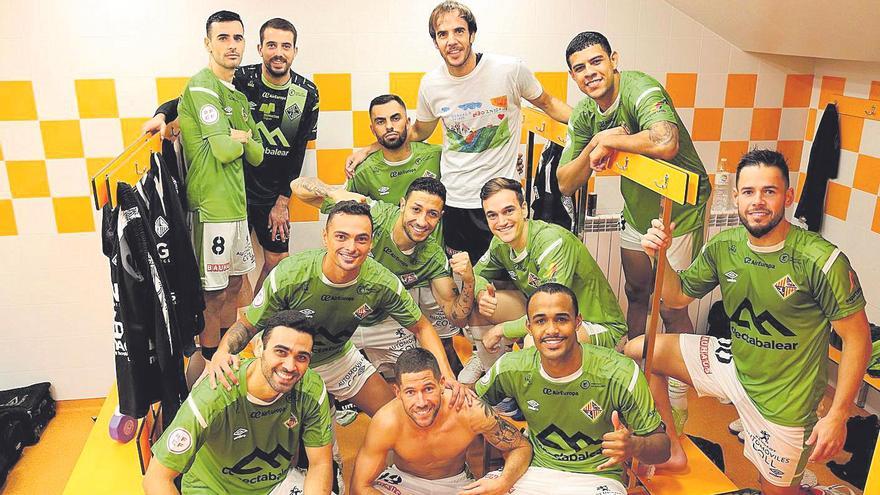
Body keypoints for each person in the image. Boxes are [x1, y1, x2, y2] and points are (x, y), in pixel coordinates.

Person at [627, 149, 871, 493]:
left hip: (785, 400)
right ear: (737, 196)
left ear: (787, 196)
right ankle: (671, 449)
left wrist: (838, 415)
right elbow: (676, 296)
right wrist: (660, 256)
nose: (758, 201)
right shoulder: (724, 246)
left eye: (769, 191)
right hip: (735, 365)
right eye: (748, 192)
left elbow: (858, 338)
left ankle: (822, 489)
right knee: (643, 350)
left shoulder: (821, 260)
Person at [554, 30, 711, 435]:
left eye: (596, 61)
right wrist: (593, 148)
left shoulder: (641, 89)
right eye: (579, 68)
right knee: (637, 293)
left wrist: (613, 138)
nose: (590, 73)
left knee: (672, 305)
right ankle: (639, 377)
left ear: (613, 58)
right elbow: (565, 181)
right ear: (572, 76)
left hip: (679, 212)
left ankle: (676, 394)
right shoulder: (587, 113)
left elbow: (667, 140)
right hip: (638, 210)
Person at [346, 1, 570, 264]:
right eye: (442, 34)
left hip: (499, 199)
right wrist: (371, 148)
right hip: (454, 200)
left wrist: (594, 124)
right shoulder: (431, 84)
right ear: (436, 42)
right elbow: (418, 131)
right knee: (461, 277)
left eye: (459, 31)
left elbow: (548, 103)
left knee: (507, 278)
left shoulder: (509, 70)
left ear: (472, 34)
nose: (451, 41)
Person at [208, 200, 469, 418]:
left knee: (397, 418)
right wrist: (222, 351)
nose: (351, 248)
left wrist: (447, 376)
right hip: (288, 363)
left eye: (361, 239)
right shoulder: (289, 275)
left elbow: (422, 326)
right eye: (341, 237)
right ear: (325, 237)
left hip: (339, 358)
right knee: (299, 440)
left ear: (371, 242)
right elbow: (247, 325)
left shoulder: (381, 281)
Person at [143, 17, 319, 299]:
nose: (279, 52)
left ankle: (257, 322)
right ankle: (238, 331)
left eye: (286, 46)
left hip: (272, 196)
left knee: (277, 262)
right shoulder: (240, 78)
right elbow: (186, 99)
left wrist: (283, 201)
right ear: (260, 48)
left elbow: (298, 151)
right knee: (232, 276)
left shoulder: (306, 93)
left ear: (295, 51)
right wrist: (162, 115)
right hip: (233, 191)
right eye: (271, 45)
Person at [476, 283, 669, 494]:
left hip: (596, 478)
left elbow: (662, 447)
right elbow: (471, 404)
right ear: (529, 327)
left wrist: (634, 446)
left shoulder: (619, 373)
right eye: (541, 321)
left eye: (561, 319)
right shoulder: (511, 367)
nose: (551, 330)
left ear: (578, 322)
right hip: (533, 469)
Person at [292, 176, 471, 376]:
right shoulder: (374, 215)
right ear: (402, 204)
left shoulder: (432, 257)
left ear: (440, 216)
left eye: (432, 214)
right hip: (340, 316)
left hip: (386, 320)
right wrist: (333, 192)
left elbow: (457, 317)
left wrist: (469, 281)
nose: (422, 221)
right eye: (416, 209)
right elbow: (297, 186)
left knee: (417, 379)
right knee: (308, 373)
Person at [143, 310, 333, 495]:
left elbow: (320, 464)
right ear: (259, 347)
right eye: (281, 352)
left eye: (301, 357)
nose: (290, 366)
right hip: (214, 489)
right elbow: (156, 479)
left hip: (276, 485)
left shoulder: (311, 389)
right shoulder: (214, 395)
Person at [460, 178, 627, 384]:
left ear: (524, 209)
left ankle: (535, 400)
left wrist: (501, 330)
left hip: (599, 326)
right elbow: (477, 275)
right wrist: (481, 294)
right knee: (479, 306)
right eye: (492, 215)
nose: (501, 222)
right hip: (546, 316)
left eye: (508, 211)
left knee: (536, 338)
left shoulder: (551, 241)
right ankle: (500, 385)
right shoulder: (500, 243)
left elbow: (550, 311)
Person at [176, 10, 264, 376]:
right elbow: (226, 151)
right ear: (208, 43)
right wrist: (238, 138)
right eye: (223, 38)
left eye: (238, 38)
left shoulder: (237, 97)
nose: (232, 45)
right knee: (212, 297)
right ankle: (210, 372)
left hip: (236, 210)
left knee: (231, 289)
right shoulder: (200, 87)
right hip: (211, 211)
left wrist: (238, 138)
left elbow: (256, 155)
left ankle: (227, 361)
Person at [350, 348, 532, 495]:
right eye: (410, 392)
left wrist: (503, 482)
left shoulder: (469, 409)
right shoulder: (386, 421)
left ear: (442, 383)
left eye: (428, 388)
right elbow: (360, 487)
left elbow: (520, 447)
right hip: (402, 482)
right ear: (398, 392)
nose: (421, 403)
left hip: (455, 484)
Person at [347, 94, 441, 205]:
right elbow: (340, 206)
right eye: (380, 121)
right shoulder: (364, 172)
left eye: (395, 118)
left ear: (407, 123)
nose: (389, 126)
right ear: (373, 129)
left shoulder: (437, 156)